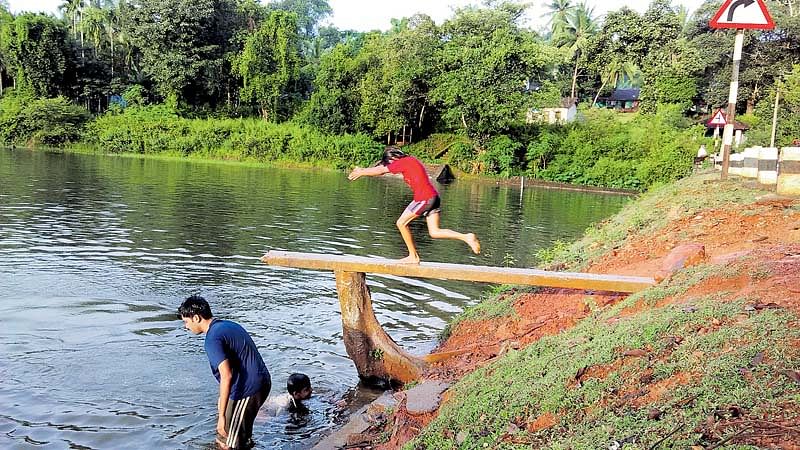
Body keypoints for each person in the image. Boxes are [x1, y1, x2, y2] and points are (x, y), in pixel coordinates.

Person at [348, 146, 481, 264]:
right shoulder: (410, 161)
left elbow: (381, 170)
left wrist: (361, 172)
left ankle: (413, 256)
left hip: (425, 199)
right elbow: (381, 169)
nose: (390, 166)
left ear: (393, 158)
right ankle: (466, 237)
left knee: (401, 223)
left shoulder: (404, 162)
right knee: (434, 232)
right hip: (430, 197)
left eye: (389, 163)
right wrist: (363, 169)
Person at [178, 295, 271, 450]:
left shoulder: (212, 338)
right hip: (257, 383)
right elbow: (236, 365)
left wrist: (221, 416)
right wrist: (223, 399)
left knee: (229, 440)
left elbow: (226, 374)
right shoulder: (226, 325)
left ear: (196, 318)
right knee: (229, 436)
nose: (186, 327)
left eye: (186, 322)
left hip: (248, 389)